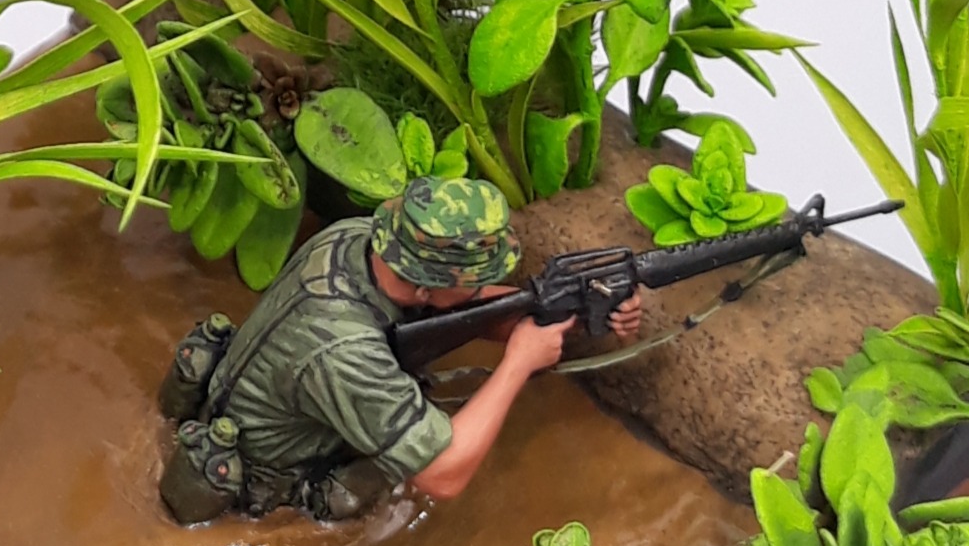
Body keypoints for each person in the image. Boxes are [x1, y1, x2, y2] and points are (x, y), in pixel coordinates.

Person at [157, 176, 643, 524]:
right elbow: (443, 476)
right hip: (271, 490)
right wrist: (518, 363)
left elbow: (465, 309)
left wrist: (578, 308)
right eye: (478, 278)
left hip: (253, 405)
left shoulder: (353, 240)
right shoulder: (346, 354)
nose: (489, 285)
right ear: (429, 285)